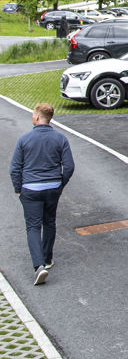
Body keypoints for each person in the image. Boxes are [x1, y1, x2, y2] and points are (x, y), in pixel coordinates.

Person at [9, 102, 74, 285]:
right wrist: (60, 185)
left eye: (33, 114)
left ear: (37, 117)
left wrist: (18, 190)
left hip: (30, 189)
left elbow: (15, 169)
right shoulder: (60, 139)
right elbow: (69, 166)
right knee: (49, 222)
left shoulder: (24, 139)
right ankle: (47, 259)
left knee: (33, 227)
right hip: (52, 188)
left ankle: (39, 267)